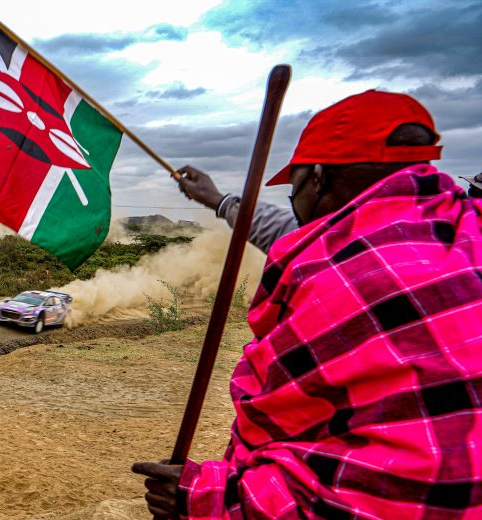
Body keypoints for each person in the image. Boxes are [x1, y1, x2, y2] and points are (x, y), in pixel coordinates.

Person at [132, 90, 482, 519]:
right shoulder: (458, 230)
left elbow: (373, 492)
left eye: (293, 186)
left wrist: (205, 497)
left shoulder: (341, 278)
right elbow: (296, 232)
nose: (293, 204)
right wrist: (218, 200)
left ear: (317, 177)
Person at [178, 166, 297, 254]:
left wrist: (219, 201)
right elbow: (279, 230)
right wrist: (219, 201)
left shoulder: (303, 245)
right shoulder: (302, 238)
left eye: (296, 187)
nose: (293, 195)